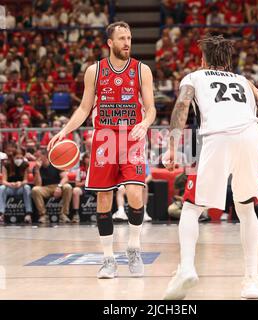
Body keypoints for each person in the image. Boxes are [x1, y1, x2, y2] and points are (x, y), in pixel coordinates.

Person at [162, 35, 258, 300]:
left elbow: (182, 107)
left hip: (218, 137)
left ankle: (186, 268)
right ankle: (252, 280)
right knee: (245, 207)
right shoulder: (245, 82)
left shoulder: (194, 77)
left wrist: (172, 146)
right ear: (229, 61)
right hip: (251, 136)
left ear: (203, 59)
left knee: (190, 206)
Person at [48, 21, 156, 279]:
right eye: (121, 38)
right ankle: (108, 259)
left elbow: (150, 108)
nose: (127, 42)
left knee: (135, 193)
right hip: (103, 138)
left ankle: (134, 248)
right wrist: (65, 131)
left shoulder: (142, 70)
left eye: (129, 38)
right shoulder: (94, 71)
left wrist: (144, 122)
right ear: (109, 42)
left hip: (131, 138)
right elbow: (85, 108)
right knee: (104, 200)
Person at [31, 149, 72, 224]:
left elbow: (65, 178)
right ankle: (43, 215)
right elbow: (38, 184)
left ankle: (64, 214)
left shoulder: (55, 164)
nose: (36, 159)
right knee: (35, 189)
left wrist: (59, 187)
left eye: (38, 156)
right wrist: (37, 170)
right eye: (36, 157)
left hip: (57, 185)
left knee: (68, 187)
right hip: (45, 188)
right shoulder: (36, 168)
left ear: (45, 156)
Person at [0, 149, 33, 223]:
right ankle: (1, 214)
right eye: (17, 158)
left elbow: (26, 180)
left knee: (27, 187)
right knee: (1, 188)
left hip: (20, 188)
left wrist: (20, 183)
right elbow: (3, 181)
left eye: (21, 158)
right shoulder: (6, 165)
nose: (19, 160)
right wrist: (10, 184)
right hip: (10, 188)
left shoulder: (25, 165)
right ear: (13, 157)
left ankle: (28, 214)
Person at [71, 152, 90, 223]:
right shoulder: (80, 170)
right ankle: (76, 214)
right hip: (84, 187)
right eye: (87, 158)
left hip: (94, 188)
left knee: (102, 190)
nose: (89, 159)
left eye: (90, 157)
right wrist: (84, 183)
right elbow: (76, 184)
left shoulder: (96, 169)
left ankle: (103, 213)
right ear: (84, 160)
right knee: (75, 190)